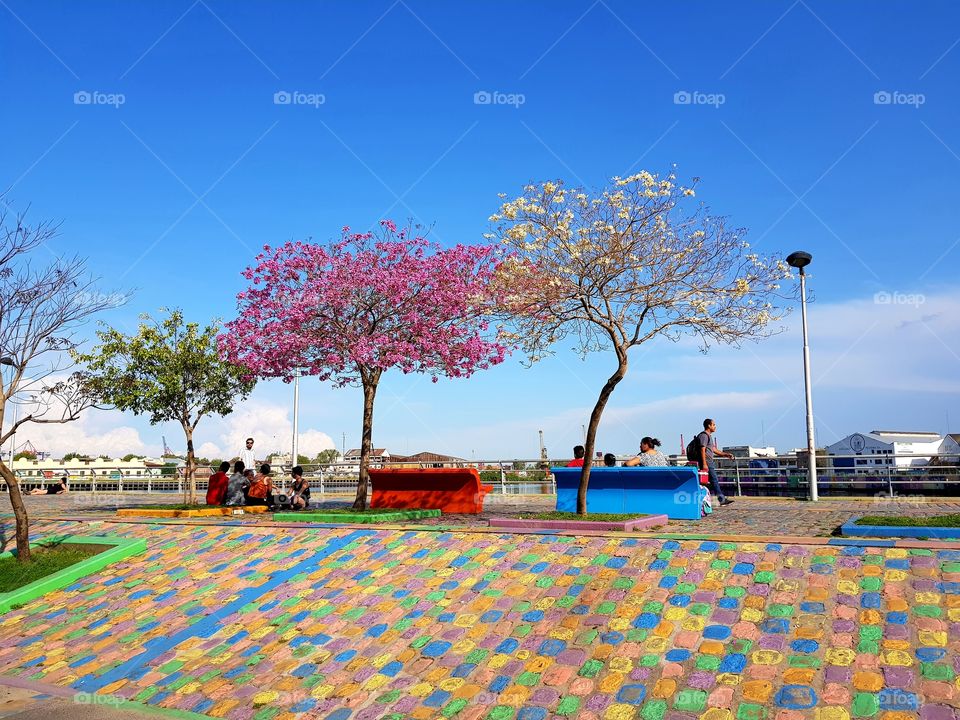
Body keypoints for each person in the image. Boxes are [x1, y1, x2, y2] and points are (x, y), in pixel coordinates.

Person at [698, 418, 734, 506]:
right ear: (709, 425)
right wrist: (704, 464)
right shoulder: (704, 436)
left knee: (707, 481)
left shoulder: (708, 436)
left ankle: (703, 499)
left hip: (709, 462)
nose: (715, 426)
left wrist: (725, 454)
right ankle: (721, 500)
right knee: (713, 480)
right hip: (707, 462)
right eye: (713, 425)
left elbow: (713, 449)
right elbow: (702, 450)